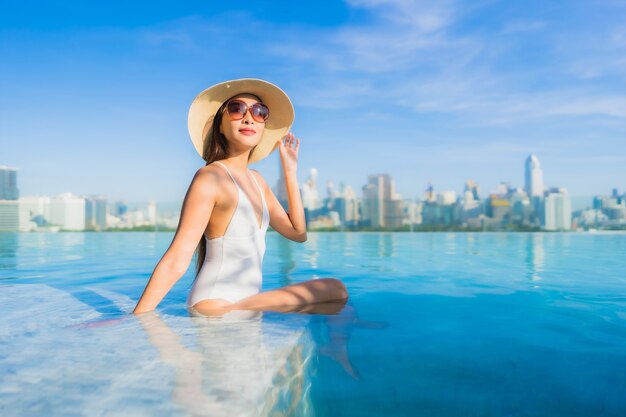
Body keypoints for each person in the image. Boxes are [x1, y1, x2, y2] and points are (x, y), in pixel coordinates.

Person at [133, 78, 349, 317]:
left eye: (259, 112)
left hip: (246, 305)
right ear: (220, 126)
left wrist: (290, 172)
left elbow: (298, 233)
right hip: (214, 305)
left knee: (336, 296)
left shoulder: (258, 181)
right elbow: (177, 258)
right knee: (334, 290)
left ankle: (336, 350)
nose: (249, 118)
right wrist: (137, 318)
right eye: (236, 109)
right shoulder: (211, 177)